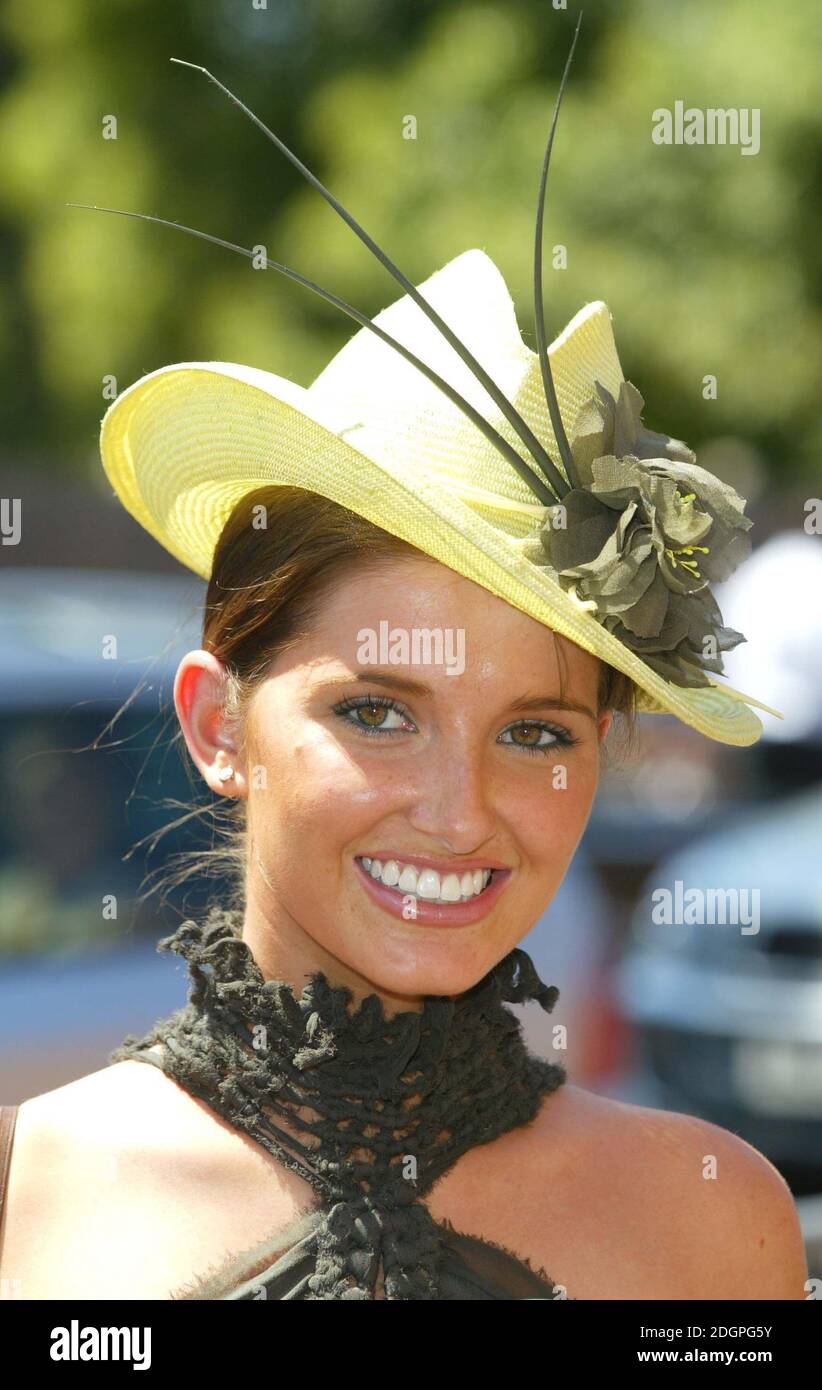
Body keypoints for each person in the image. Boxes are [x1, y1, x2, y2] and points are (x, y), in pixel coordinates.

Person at [0, 23, 809, 1300]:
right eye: (378, 710)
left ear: (604, 755)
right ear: (218, 725)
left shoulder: (713, 1225)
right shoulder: (44, 1182)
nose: (457, 810)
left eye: (537, 731)